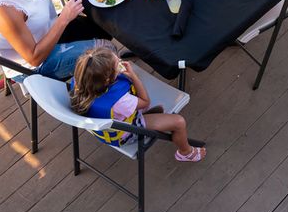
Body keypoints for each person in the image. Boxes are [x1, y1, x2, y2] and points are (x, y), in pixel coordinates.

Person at [69, 47, 205, 161]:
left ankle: (149, 117)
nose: (121, 62)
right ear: (107, 79)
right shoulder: (121, 101)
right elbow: (145, 102)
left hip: (102, 127)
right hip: (126, 133)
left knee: (159, 112)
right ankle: (185, 153)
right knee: (179, 122)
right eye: (117, 64)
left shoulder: (80, 83)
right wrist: (133, 76)